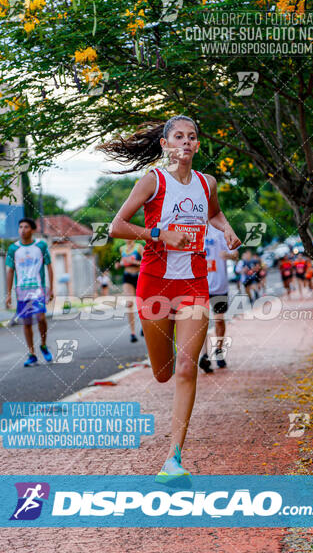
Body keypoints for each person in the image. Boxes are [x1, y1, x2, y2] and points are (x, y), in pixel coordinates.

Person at [102, 115, 241, 483]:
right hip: (155, 283)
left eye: (192, 137)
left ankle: (173, 458)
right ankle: (160, 373)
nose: (185, 142)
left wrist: (227, 230)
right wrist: (160, 235)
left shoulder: (206, 182)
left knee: (185, 367)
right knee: (163, 373)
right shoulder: (153, 180)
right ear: (165, 144)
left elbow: (214, 213)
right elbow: (116, 227)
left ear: (197, 145)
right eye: (177, 136)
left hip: (195, 284)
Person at [5, 217, 54, 367]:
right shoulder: (13, 249)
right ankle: (32, 353)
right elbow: (10, 271)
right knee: (26, 322)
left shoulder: (41, 246)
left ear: (32, 230)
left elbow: (49, 267)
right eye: (20, 227)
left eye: (26, 227)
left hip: (38, 289)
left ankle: (43, 345)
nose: (23, 230)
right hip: (22, 291)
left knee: (40, 318)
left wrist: (51, 288)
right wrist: (8, 293)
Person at [199, 222, 239, 373]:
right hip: (199, 283)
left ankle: (219, 351)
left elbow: (235, 254)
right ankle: (204, 356)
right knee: (200, 321)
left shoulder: (221, 229)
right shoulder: (193, 226)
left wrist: (228, 255)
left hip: (219, 285)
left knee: (219, 320)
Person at [115, 239, 144, 342]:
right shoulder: (122, 249)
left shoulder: (139, 247)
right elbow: (121, 263)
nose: (126, 238)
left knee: (141, 303)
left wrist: (134, 262)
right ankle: (132, 333)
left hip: (138, 276)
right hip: (127, 276)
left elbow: (147, 262)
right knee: (129, 304)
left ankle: (143, 327)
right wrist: (118, 265)